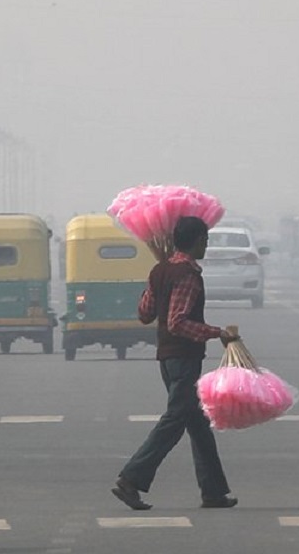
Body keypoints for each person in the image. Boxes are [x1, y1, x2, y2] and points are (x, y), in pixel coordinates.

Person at [112, 217, 239, 512]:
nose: (207, 246)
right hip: (183, 358)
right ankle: (130, 479)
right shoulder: (186, 275)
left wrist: (158, 280)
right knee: (173, 422)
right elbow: (177, 322)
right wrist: (216, 333)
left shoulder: (161, 270)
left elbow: (145, 313)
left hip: (168, 359)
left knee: (197, 424)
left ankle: (214, 491)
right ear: (194, 241)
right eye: (205, 240)